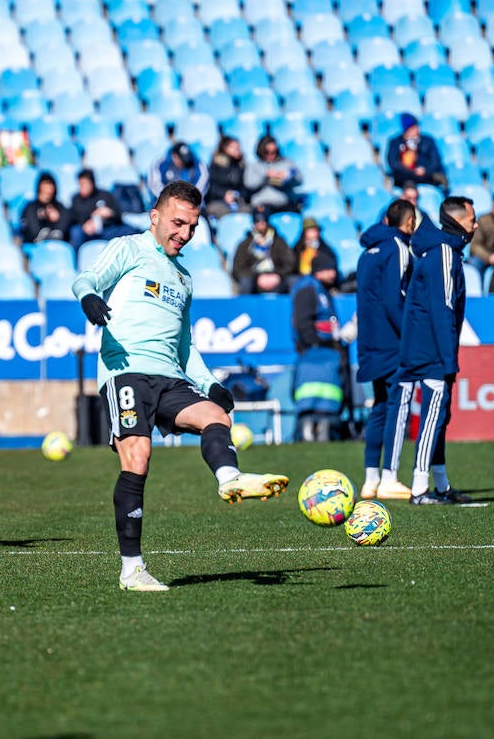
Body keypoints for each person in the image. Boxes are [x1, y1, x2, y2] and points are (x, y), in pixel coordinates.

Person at [71, 180, 289, 591]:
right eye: (177, 223)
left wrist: (211, 384)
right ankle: (132, 570)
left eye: (192, 226)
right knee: (138, 454)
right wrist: (88, 298)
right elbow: (87, 278)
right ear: (155, 217)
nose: (184, 234)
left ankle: (229, 480)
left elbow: (185, 343)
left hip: (170, 374)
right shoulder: (130, 248)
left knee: (215, 415)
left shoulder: (184, 277)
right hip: (126, 370)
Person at [392, 196, 477, 505]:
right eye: (471, 220)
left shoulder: (446, 251)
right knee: (431, 417)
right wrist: (447, 358)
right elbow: (442, 308)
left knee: (441, 417)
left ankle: (441, 485)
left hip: (434, 349)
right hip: (431, 352)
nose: (476, 225)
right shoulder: (443, 252)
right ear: (456, 222)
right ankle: (419, 488)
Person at [354, 198, 417, 500]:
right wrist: (409, 337)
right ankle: (390, 478)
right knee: (397, 407)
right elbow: (395, 300)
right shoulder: (398, 248)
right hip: (393, 342)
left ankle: (371, 479)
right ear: (408, 224)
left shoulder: (367, 252)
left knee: (379, 407)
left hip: (370, 341)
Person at [291, 250, 346, 442]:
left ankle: (326, 428)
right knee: (313, 397)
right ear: (317, 271)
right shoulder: (308, 289)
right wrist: (317, 343)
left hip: (326, 352)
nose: (332, 273)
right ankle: (310, 429)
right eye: (328, 269)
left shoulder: (322, 289)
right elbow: (303, 323)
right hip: (315, 355)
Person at [231, 209, 295, 295]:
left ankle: (294, 308)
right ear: (253, 224)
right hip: (254, 279)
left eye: (263, 221)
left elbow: (289, 264)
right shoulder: (245, 244)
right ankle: (244, 307)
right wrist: (257, 276)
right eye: (257, 221)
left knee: (293, 281)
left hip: (277, 277)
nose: (261, 224)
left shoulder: (279, 242)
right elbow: (237, 268)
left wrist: (277, 275)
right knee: (245, 283)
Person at [66, 169, 128, 251]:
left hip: (105, 229)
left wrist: (110, 214)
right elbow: (73, 217)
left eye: (85, 184)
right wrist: (89, 220)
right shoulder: (76, 198)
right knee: (76, 232)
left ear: (92, 183)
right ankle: (77, 258)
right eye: (80, 184)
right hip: (85, 230)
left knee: (127, 230)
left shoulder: (105, 195)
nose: (82, 187)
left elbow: (118, 216)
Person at [385, 113, 447, 190]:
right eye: (408, 129)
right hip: (406, 178)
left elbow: (435, 161)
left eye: (413, 127)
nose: (411, 131)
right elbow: (393, 163)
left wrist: (425, 171)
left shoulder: (428, 141)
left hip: (427, 177)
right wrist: (413, 172)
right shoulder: (395, 142)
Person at [243, 135, 302, 214]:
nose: (271, 155)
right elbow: (249, 184)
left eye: (274, 152)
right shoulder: (254, 166)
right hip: (263, 205)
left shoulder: (287, 163)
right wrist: (266, 175)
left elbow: (299, 180)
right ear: (261, 151)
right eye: (267, 152)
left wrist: (288, 177)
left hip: (286, 203)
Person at [205, 136, 247, 218]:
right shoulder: (216, 165)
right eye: (234, 148)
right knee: (224, 213)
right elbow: (211, 187)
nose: (238, 150)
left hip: (236, 201)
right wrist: (224, 194)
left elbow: (244, 187)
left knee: (247, 211)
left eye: (238, 148)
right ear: (225, 148)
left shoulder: (240, 166)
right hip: (218, 201)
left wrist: (236, 195)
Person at [19, 172, 68, 243]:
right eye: (44, 190)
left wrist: (56, 218)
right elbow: (26, 228)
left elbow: (63, 229)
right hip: (34, 243)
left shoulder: (60, 207)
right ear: (39, 189)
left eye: (50, 188)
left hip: (56, 243)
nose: (47, 192)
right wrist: (43, 215)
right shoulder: (30, 207)